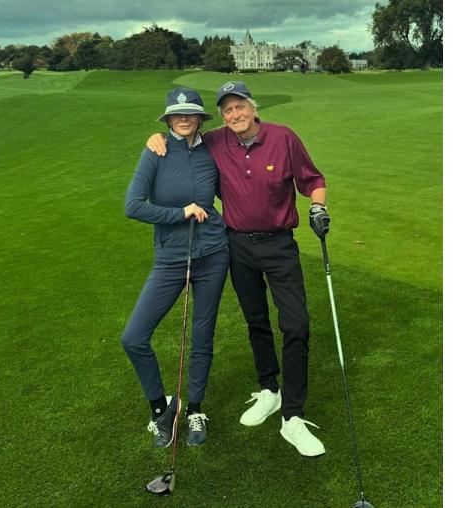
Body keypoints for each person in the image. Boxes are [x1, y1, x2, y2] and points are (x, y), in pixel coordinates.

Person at [144, 80, 331, 459]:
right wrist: (155, 137)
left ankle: (293, 417)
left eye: (239, 106)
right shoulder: (216, 140)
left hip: (280, 245)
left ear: (253, 106)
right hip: (238, 246)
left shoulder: (283, 137)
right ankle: (270, 391)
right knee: (256, 320)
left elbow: (313, 180)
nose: (234, 115)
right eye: (227, 110)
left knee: (296, 325)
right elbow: (184, 134)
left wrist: (317, 207)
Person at [122, 87, 230, 448]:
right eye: (177, 114)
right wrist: (179, 213)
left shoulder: (212, 149)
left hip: (213, 254)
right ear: (168, 118)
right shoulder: (155, 152)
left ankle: (195, 408)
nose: (184, 119)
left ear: (200, 117)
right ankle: (160, 409)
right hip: (170, 258)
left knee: (202, 336)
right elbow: (133, 206)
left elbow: (245, 132)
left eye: (191, 113)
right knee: (134, 337)